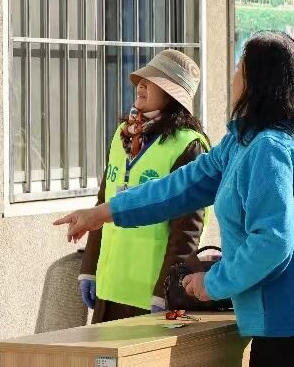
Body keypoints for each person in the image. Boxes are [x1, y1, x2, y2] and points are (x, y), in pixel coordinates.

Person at [56, 31, 294, 367]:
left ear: (257, 80)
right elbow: (180, 186)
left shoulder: (268, 148)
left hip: (293, 320)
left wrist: (213, 283)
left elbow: (272, 242)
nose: (233, 75)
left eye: (239, 67)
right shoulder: (243, 142)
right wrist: (104, 213)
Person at [78, 49, 209, 323]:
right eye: (142, 79)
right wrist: (89, 267)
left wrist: (167, 290)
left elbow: (187, 229)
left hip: (148, 297)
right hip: (109, 289)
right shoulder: (123, 134)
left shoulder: (189, 145)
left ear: (172, 94)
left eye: (153, 81)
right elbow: (103, 202)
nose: (141, 84)